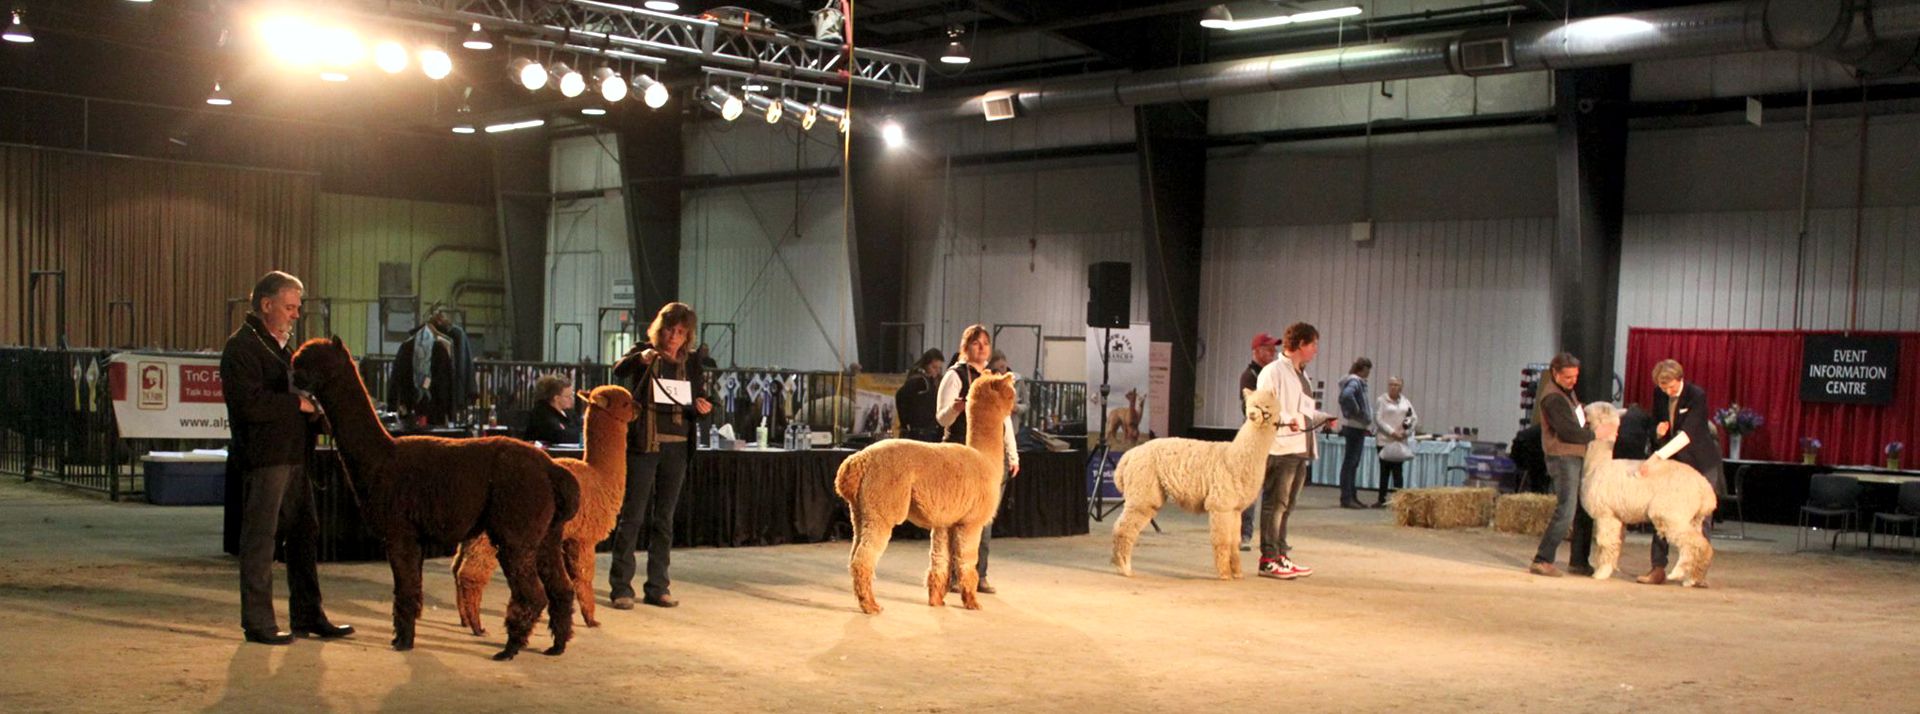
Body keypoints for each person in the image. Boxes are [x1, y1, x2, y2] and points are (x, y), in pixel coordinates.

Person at [220, 270, 351, 645]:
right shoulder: (242, 348)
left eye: (297, 308)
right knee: (260, 540)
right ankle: (258, 622)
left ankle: (308, 615)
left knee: (305, 536)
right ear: (266, 305)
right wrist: (297, 403)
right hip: (265, 459)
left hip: (294, 457)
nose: (296, 314)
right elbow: (247, 404)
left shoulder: (280, 348)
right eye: (290, 307)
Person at [608, 302, 713, 609]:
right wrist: (640, 358)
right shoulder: (645, 352)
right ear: (659, 329)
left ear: (688, 335)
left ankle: (658, 585)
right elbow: (619, 369)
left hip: (677, 445)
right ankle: (621, 587)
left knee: (664, 519)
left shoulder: (692, 363)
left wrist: (704, 408)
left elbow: (699, 400)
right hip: (644, 444)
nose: (673, 337)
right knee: (633, 516)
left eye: (681, 332)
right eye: (669, 330)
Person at [935, 325, 1019, 594]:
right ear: (965, 347)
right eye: (976, 343)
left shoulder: (993, 379)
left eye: (985, 343)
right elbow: (941, 418)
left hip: (989, 461)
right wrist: (956, 409)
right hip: (959, 456)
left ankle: (978, 574)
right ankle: (951, 575)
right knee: (955, 517)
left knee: (983, 519)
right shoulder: (955, 376)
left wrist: (1012, 455)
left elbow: (1003, 419)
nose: (981, 347)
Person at [1253, 322, 1336, 580]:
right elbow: (1261, 407)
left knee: (1287, 506)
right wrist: (1287, 420)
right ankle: (1268, 559)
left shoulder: (1302, 374)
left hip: (1301, 448)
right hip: (1281, 448)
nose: (1315, 350)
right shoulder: (1272, 371)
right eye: (1313, 344)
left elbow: (1304, 409)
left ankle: (1281, 555)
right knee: (1275, 504)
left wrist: (1323, 417)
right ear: (1300, 344)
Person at [1641, 359, 1724, 586]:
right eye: (1663, 388)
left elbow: (1687, 435)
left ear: (1680, 379)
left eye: (1671, 387)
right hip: (1674, 465)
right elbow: (1654, 424)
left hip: (1700, 462)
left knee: (1701, 518)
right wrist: (1657, 431)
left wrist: (1656, 457)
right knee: (1662, 513)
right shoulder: (1659, 394)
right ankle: (1657, 568)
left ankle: (1698, 573)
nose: (1667, 391)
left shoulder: (1696, 395)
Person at [1529, 352, 1598, 577]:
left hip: (1574, 456)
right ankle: (1542, 559)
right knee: (1566, 509)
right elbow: (1568, 431)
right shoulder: (1553, 398)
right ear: (1555, 374)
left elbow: (1575, 422)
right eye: (1568, 377)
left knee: (1582, 509)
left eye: (1575, 376)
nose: (1573, 381)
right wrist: (1596, 433)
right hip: (1562, 457)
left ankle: (1579, 561)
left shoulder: (1567, 393)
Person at [1239, 332, 1280, 550]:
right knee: (1250, 488)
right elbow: (1249, 409)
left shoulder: (1271, 375)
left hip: (1270, 438)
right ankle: (1243, 534)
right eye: (1268, 349)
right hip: (1253, 439)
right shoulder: (1249, 376)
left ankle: (1271, 537)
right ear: (1256, 351)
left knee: (1271, 488)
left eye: (1274, 350)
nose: (1273, 353)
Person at [1372, 376, 1417, 508]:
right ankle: (1382, 499)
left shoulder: (1405, 401)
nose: (1393, 387)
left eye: (1396, 385)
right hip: (1384, 441)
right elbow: (1378, 419)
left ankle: (1399, 500)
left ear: (1401, 387)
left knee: (1398, 472)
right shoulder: (1381, 400)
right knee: (1384, 471)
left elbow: (1413, 418)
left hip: (1400, 441)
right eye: (1391, 384)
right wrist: (1392, 432)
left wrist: (1406, 432)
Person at [1336, 357, 1375, 509]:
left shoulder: (1355, 381)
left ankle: (1352, 495)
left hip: (1356, 427)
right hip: (1354, 427)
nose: (1369, 373)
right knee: (1350, 463)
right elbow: (1346, 396)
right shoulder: (1355, 381)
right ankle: (1347, 497)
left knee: (1352, 463)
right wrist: (1357, 411)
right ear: (1363, 369)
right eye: (1368, 370)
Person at [894, 348, 946, 442]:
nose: (937, 371)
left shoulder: (931, 381)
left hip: (928, 430)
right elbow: (900, 396)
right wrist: (905, 423)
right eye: (934, 367)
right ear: (926, 364)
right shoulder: (919, 380)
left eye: (939, 368)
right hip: (920, 432)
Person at [523, 373, 579, 445]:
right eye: (568, 396)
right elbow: (560, 436)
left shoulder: (569, 412)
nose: (572, 399)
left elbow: (582, 427)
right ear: (556, 398)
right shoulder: (541, 415)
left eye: (572, 395)